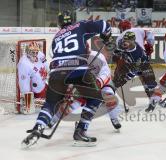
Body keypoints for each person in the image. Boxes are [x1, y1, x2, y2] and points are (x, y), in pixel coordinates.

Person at [22, 10, 113, 147]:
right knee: (96, 98)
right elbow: (105, 25)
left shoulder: (56, 37)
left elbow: (53, 55)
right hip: (78, 69)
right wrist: (106, 37)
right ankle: (80, 131)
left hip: (56, 72)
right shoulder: (81, 25)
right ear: (73, 19)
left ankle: (38, 128)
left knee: (51, 103)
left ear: (59, 23)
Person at [115, 20, 166, 109]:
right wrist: (150, 45)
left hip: (130, 63)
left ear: (121, 28)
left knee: (118, 80)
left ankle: (106, 96)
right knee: (147, 81)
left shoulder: (119, 38)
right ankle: (155, 99)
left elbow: (120, 56)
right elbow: (150, 35)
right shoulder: (138, 30)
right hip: (143, 60)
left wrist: (118, 71)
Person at [17, 41, 48, 114]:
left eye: (36, 52)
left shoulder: (40, 54)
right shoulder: (24, 64)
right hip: (37, 91)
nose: (35, 54)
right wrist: (28, 103)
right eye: (32, 52)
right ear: (27, 52)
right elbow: (24, 85)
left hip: (44, 83)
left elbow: (46, 64)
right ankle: (27, 102)